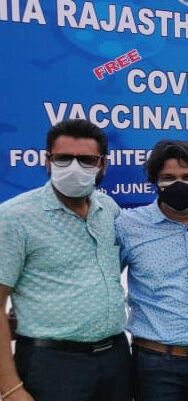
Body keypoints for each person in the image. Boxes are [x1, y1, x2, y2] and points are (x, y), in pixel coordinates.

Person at [0, 119, 129, 401]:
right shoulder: (14, 217)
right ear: (47, 161)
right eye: (63, 158)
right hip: (52, 364)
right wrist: (9, 388)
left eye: (86, 160)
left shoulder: (108, 209)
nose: (74, 167)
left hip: (115, 359)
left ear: (102, 165)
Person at [117, 140, 188, 400]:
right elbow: (105, 280)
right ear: (155, 181)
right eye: (168, 178)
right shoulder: (128, 226)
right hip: (156, 365)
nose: (179, 184)